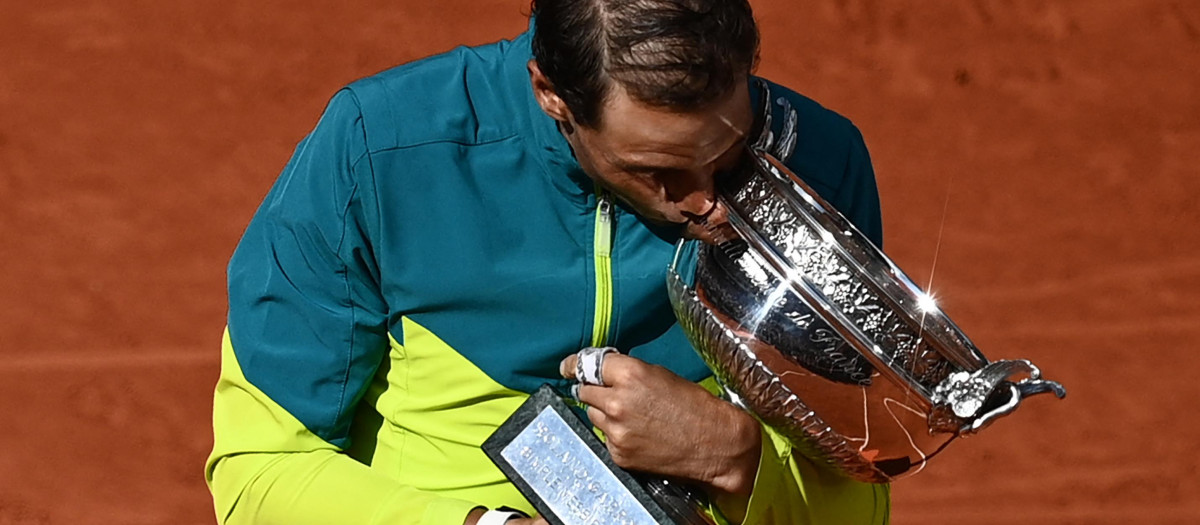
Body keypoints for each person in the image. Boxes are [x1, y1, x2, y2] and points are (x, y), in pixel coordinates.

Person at [205, 0, 890, 523]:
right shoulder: (376, 151)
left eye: (732, 153)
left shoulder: (818, 166)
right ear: (551, 93)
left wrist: (737, 459)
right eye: (657, 170)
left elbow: (858, 501)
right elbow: (259, 467)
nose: (711, 203)